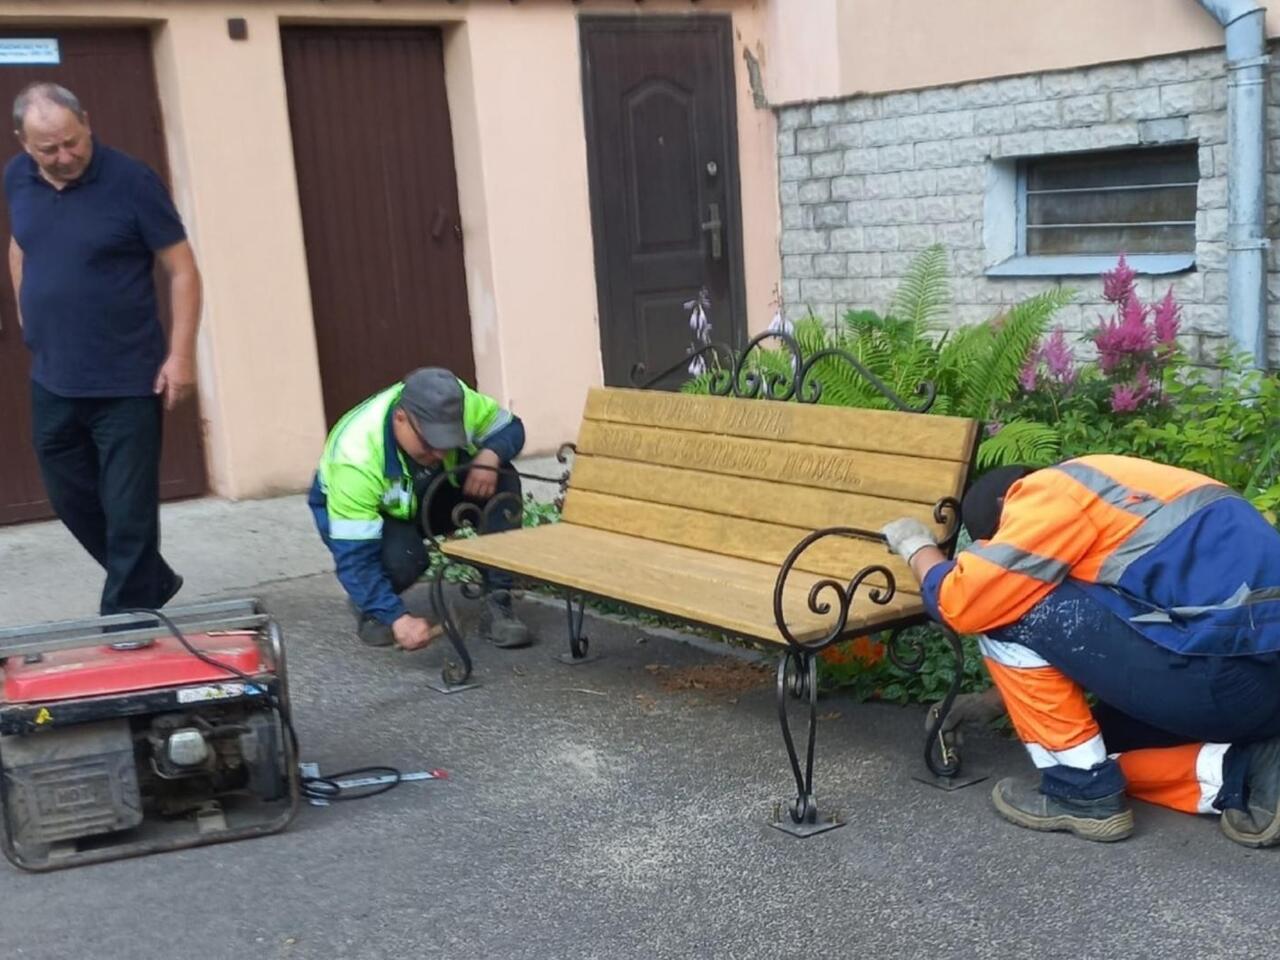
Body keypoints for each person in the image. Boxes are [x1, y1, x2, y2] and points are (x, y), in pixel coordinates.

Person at [881, 454, 1280, 847]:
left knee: (999, 603)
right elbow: (1116, 628)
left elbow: (965, 600)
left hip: (1228, 676)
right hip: (1252, 679)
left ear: (1007, 505)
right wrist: (993, 701)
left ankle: (1081, 793)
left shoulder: (1045, 492)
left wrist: (917, 548)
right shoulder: (1120, 487)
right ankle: (1245, 772)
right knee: (1099, 746)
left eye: (996, 543)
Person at [4, 82, 200, 615]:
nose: (66, 156)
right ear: (24, 143)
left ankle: (127, 617)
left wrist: (180, 355)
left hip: (128, 377)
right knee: (71, 498)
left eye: (73, 141)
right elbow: (20, 243)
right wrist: (27, 311)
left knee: (128, 507)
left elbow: (182, 271)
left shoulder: (132, 182)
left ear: (86, 123)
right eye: (50, 149)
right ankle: (150, 579)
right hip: (53, 374)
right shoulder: (16, 178)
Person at [309, 367, 532, 651]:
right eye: (430, 443)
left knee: (503, 479)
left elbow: (511, 428)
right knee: (405, 560)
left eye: (448, 442)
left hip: (429, 490)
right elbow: (355, 557)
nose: (439, 454)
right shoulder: (355, 459)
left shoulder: (457, 403)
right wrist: (399, 619)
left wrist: (490, 456)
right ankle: (376, 609)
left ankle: (498, 601)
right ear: (400, 418)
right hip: (378, 514)